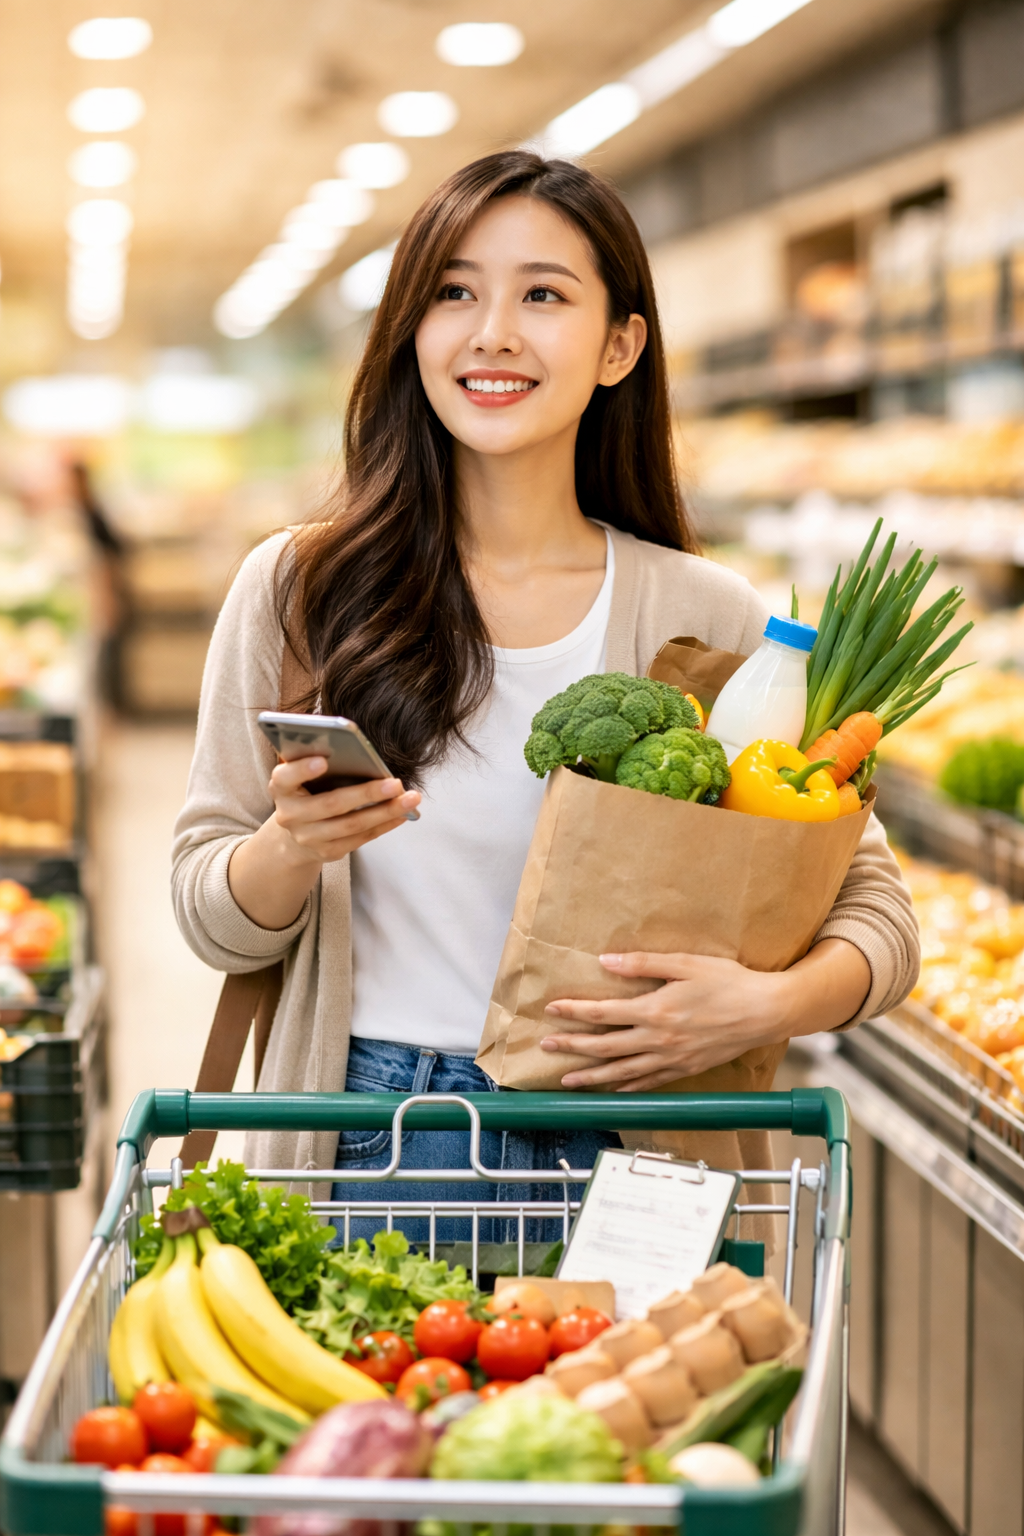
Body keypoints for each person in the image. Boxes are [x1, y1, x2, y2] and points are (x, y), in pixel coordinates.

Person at [173, 151, 918, 1243]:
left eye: (543, 295)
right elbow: (206, 908)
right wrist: (289, 848)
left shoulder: (704, 614)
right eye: (454, 292)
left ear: (620, 344)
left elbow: (878, 911)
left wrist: (766, 1007)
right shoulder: (300, 590)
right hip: (360, 1136)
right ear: (410, 331)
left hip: (636, 1160)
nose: (492, 334)